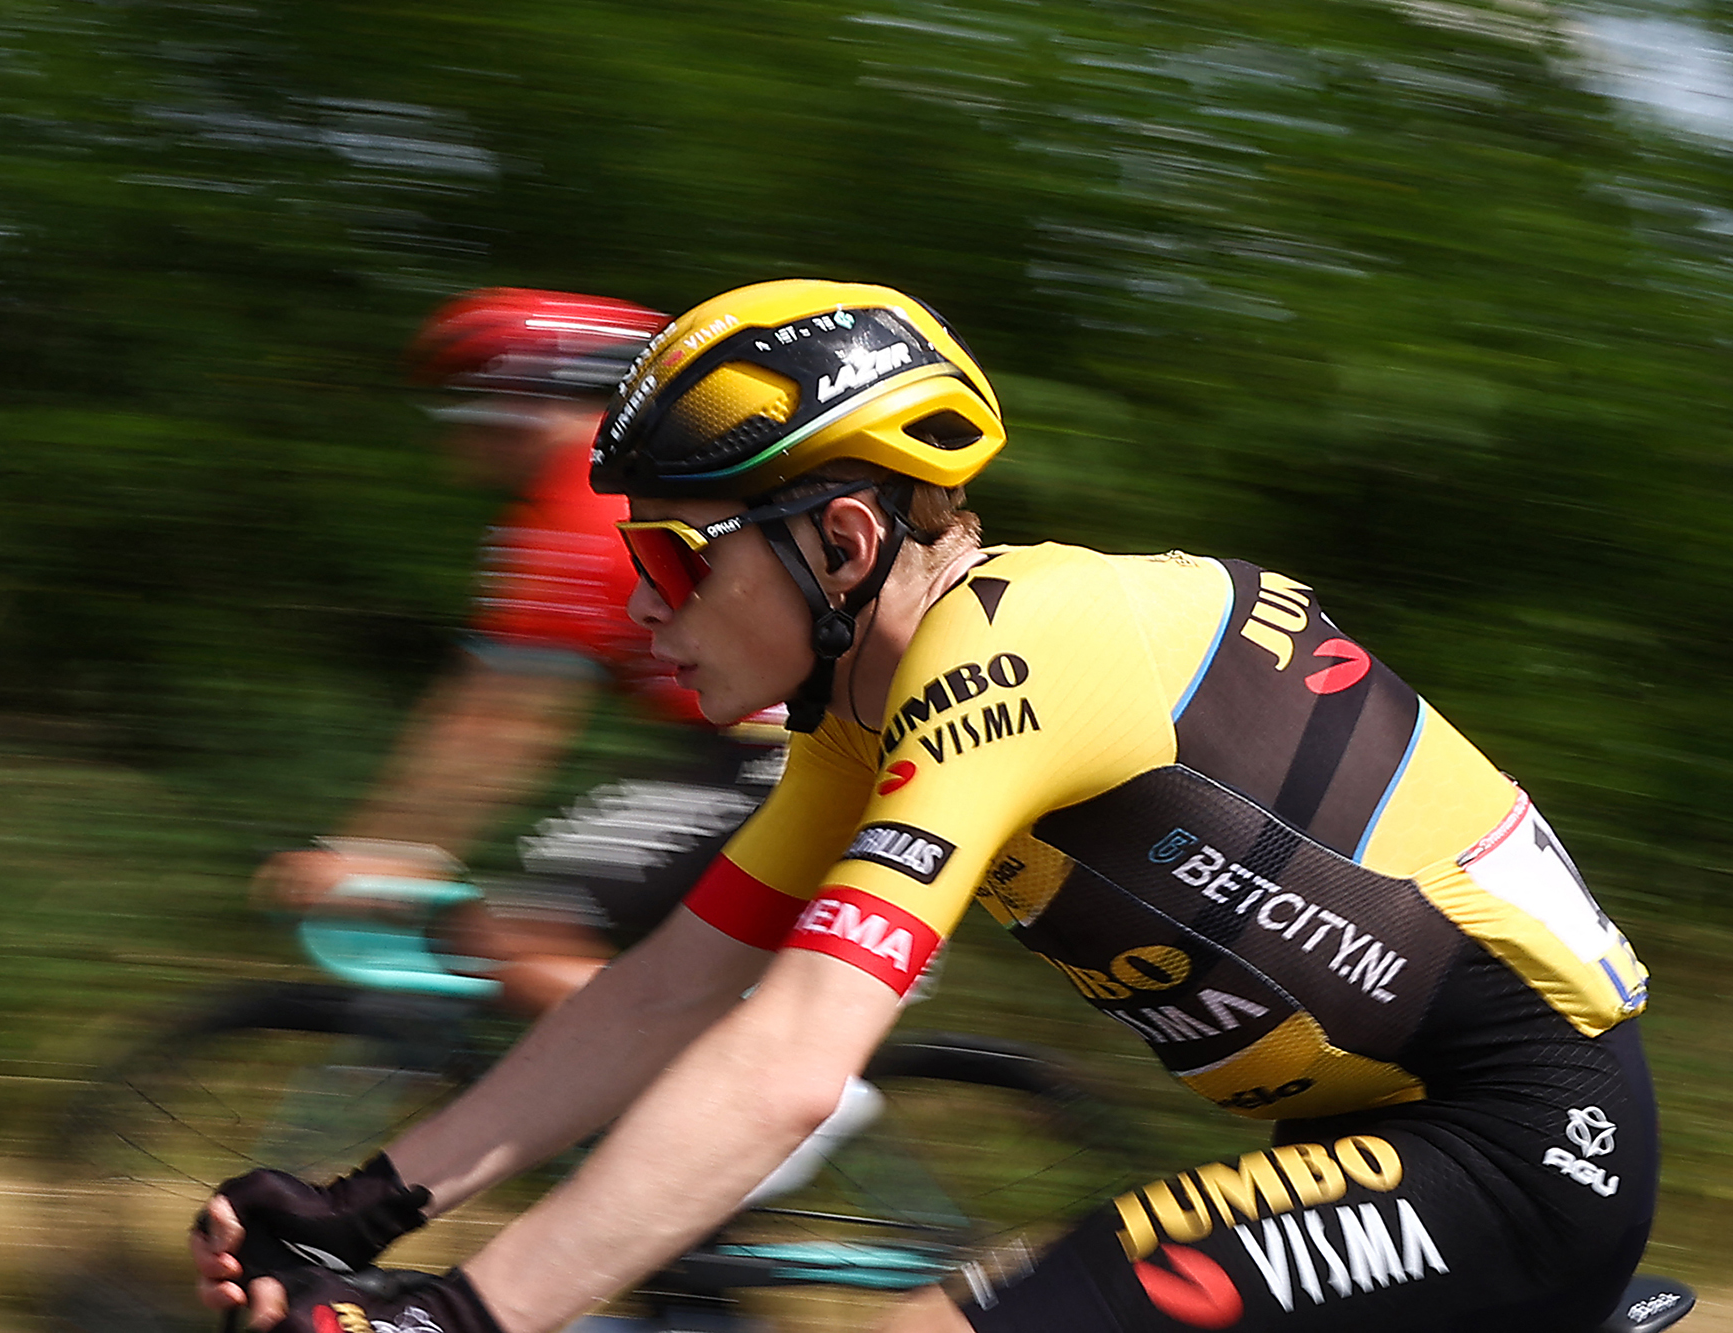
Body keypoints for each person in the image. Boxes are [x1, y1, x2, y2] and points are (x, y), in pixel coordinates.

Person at [193, 279, 1658, 1333]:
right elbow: (662, 995)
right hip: (1394, 1145)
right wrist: (368, 1203)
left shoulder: (1018, 653)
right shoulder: (866, 713)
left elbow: (787, 1064)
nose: (644, 611)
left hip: (1517, 1149)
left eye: (674, 561)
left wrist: (456, 1315)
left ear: (840, 538)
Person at [258, 287, 785, 1017]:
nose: (448, 434)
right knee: (568, 934)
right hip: (750, 755)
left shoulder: (576, 509)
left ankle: (761, 1096)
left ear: (513, 404)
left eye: (459, 406)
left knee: (513, 935)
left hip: (760, 761)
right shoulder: (627, 491)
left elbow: (502, 721)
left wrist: (384, 853)